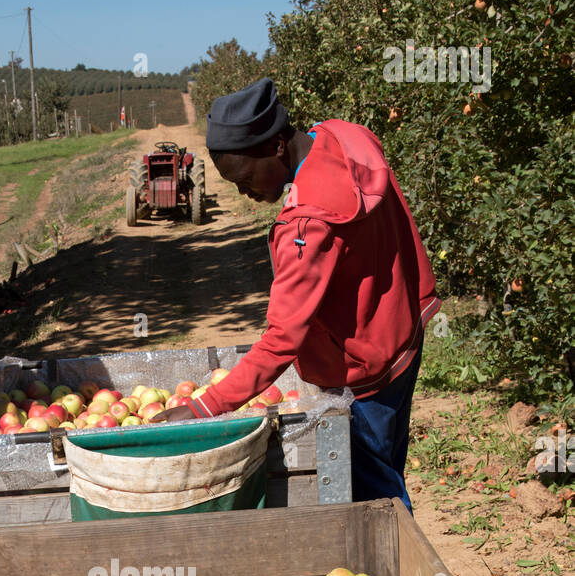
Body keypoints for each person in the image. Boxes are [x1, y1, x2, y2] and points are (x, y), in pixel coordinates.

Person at [155, 79, 440, 511]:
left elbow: (282, 338)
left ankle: (400, 569)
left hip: (364, 373)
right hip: (400, 337)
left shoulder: (307, 226)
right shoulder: (345, 136)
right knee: (386, 466)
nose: (245, 193)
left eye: (246, 178)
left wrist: (204, 408)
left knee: (376, 501)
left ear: (275, 147)